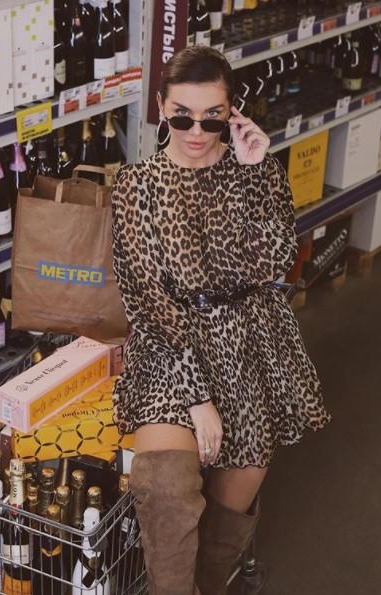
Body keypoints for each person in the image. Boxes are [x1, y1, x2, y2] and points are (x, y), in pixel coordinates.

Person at [110, 46, 331, 595]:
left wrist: (257, 174)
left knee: (234, 499)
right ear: (161, 108)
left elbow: (275, 260)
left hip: (248, 342)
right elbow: (146, 300)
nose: (196, 131)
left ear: (231, 113)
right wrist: (196, 397)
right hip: (171, 348)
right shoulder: (138, 186)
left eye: (212, 117)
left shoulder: (254, 171)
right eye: (181, 115)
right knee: (167, 488)